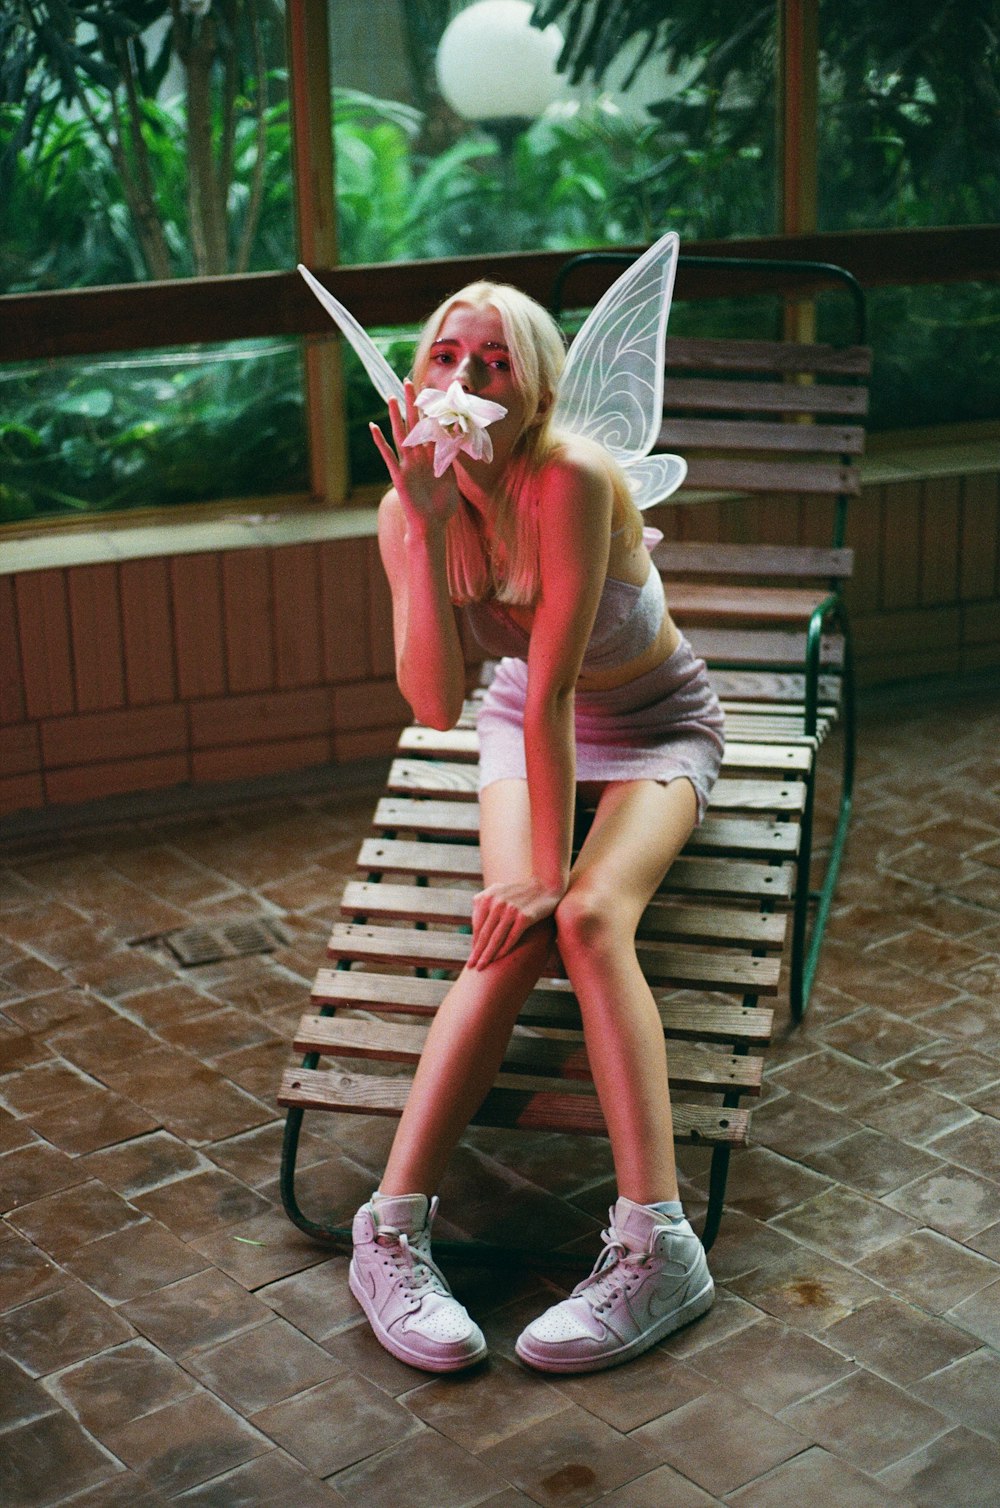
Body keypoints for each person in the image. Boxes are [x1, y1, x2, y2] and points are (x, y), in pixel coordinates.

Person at [349, 278, 725, 1376]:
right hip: (518, 717)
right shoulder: (403, 504)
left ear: (540, 385)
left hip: (652, 720)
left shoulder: (569, 477)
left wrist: (549, 875)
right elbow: (432, 702)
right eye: (445, 359)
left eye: (496, 363)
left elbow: (564, 682)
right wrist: (421, 530)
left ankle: (660, 1246)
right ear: (416, 378)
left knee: (590, 920)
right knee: (505, 932)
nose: (464, 381)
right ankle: (389, 1228)